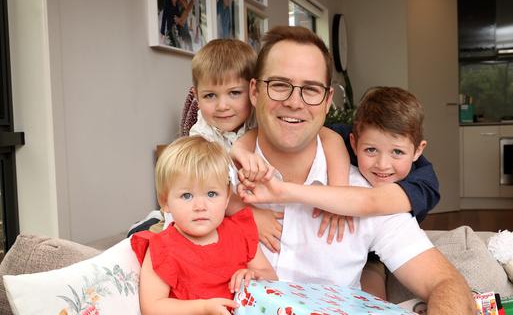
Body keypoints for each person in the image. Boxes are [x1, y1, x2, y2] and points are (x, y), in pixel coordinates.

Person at [240, 25, 475, 314]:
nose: (294, 101)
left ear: (327, 101)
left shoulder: (364, 193)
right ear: (254, 91)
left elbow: (446, 283)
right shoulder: (208, 180)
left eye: (311, 90)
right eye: (278, 84)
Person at [128, 39, 351, 248]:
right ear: (196, 96)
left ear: (254, 93)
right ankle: (149, 225)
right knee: (165, 237)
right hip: (204, 203)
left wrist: (338, 194)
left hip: (226, 200)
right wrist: (251, 214)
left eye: (234, 93)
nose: (222, 106)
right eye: (209, 96)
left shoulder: (263, 118)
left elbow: (331, 137)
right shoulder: (202, 134)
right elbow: (206, 186)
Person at [239, 86, 440, 299]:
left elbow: (371, 202)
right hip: (358, 245)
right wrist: (239, 149)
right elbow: (277, 131)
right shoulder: (345, 135)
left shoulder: (424, 182)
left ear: (418, 151)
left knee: (373, 280)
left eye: (397, 152)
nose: (383, 165)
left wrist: (335, 198)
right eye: (370, 150)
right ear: (354, 143)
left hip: (380, 247)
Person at [131, 136, 277, 315]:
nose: (200, 206)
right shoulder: (163, 248)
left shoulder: (240, 231)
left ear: (227, 198)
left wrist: (253, 276)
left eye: (211, 193)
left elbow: (271, 276)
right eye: (187, 196)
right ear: (165, 202)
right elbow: (152, 307)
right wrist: (204, 308)